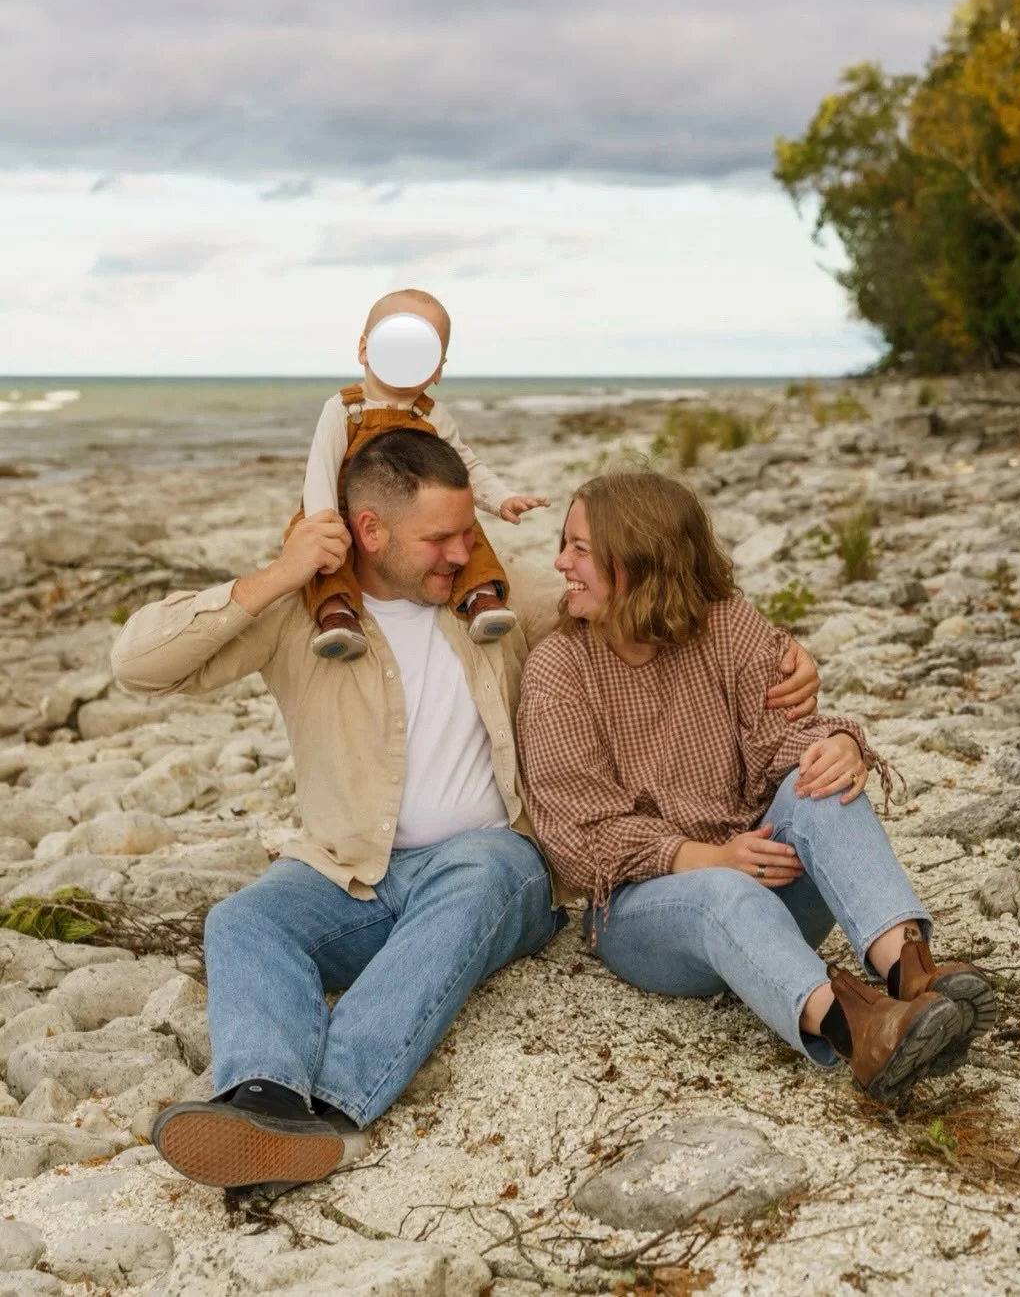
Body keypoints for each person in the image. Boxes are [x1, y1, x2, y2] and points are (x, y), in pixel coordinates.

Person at [110, 434, 821, 1190]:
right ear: (370, 531)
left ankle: (331, 1112)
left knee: (478, 868)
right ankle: (265, 1098)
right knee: (242, 920)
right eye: (440, 537)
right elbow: (138, 666)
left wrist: (786, 650)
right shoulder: (304, 614)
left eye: (467, 532)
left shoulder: (498, 597)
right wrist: (280, 573)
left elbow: (659, 603)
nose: (461, 551)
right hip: (351, 873)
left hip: (497, 866)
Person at [517, 469, 996, 1104]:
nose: (561, 562)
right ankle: (861, 1030)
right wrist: (709, 857)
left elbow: (781, 744)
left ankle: (912, 973)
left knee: (819, 780)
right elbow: (579, 839)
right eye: (564, 543)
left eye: (579, 548)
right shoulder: (559, 670)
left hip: (766, 873)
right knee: (720, 891)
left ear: (637, 560)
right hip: (642, 913)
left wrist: (842, 744)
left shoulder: (726, 625)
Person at [294, 287, 548, 660]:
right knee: (319, 551)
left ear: (439, 368)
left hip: (424, 514)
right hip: (350, 511)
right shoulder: (344, 410)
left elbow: (464, 466)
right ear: (365, 349)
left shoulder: (431, 415)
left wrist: (501, 498)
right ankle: (336, 615)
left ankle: (481, 598)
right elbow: (321, 468)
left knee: (465, 533)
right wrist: (321, 520)